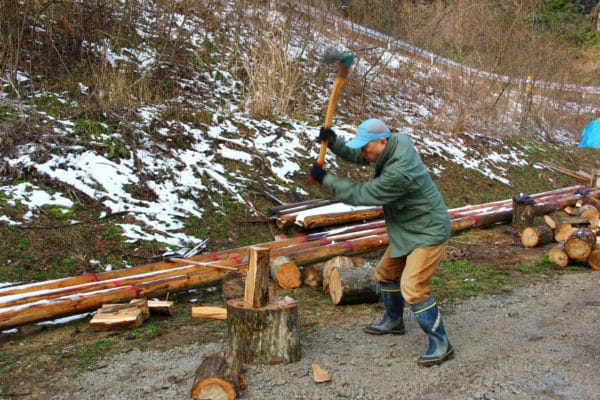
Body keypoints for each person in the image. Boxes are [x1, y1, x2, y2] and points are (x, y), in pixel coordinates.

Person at [309, 118, 454, 367]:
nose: (364, 153)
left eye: (366, 147)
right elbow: (362, 153)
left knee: (413, 287)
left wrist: (326, 180)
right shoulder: (394, 144)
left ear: (382, 142)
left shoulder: (400, 172)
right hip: (408, 228)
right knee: (385, 274)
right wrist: (334, 143)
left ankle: (441, 343)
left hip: (428, 231)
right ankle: (394, 320)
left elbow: (362, 194)